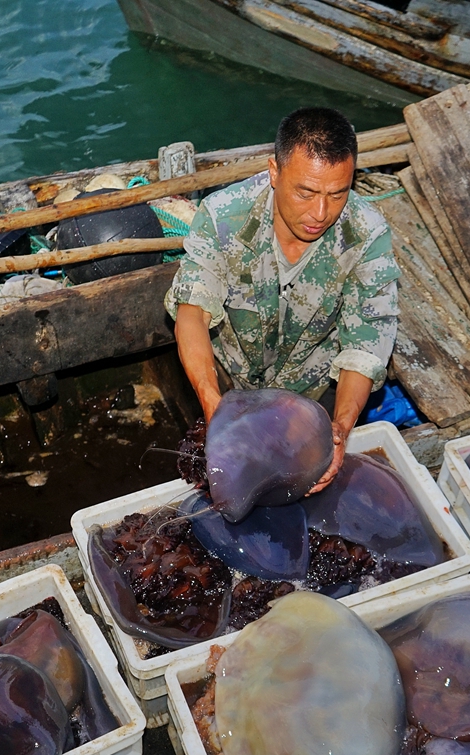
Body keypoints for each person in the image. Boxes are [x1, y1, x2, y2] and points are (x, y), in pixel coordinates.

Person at [165, 107, 400, 492]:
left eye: (337, 193)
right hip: (229, 378)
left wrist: (340, 426)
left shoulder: (367, 234)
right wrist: (213, 406)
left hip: (310, 391)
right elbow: (191, 310)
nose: (320, 213)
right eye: (306, 192)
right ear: (274, 171)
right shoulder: (224, 216)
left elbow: (368, 342)